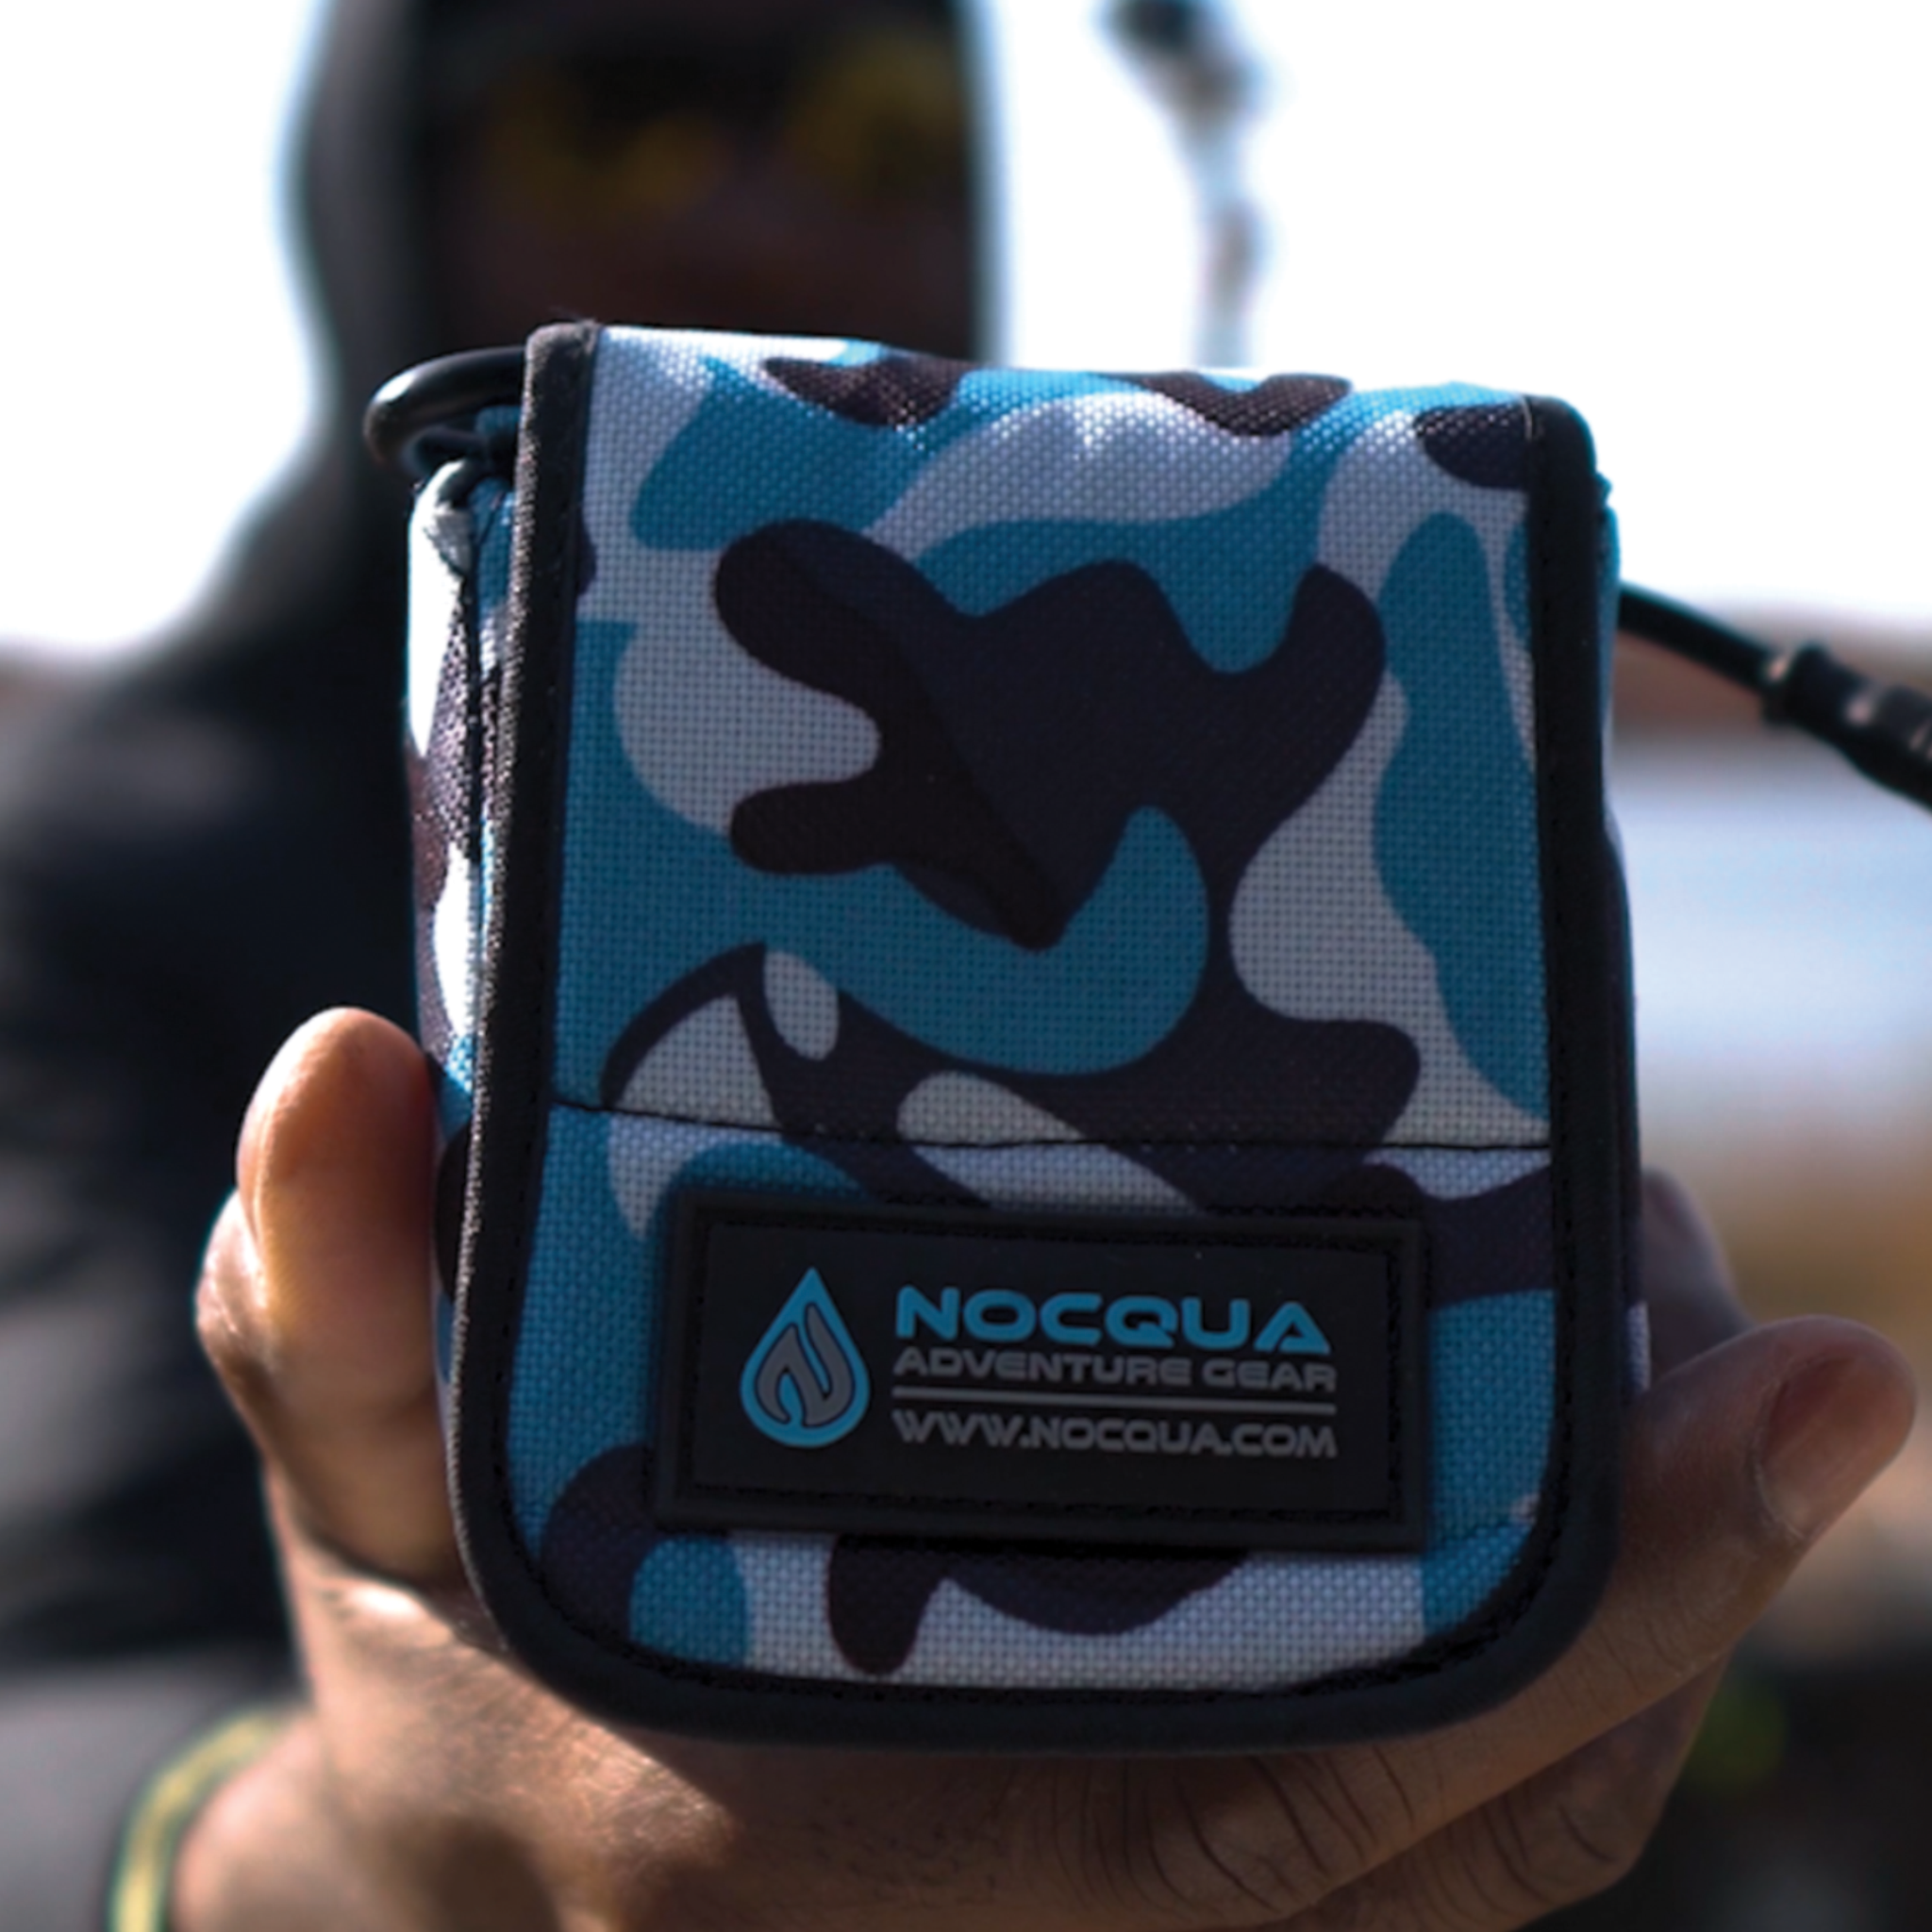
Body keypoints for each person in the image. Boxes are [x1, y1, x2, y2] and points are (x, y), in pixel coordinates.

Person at [0, 0, 1913, 1926]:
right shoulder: (97, 860)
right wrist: (327, 1860)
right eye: (605, 120)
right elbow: (57, 1677)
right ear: (379, 201)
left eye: (882, 126)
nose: (759, 215)